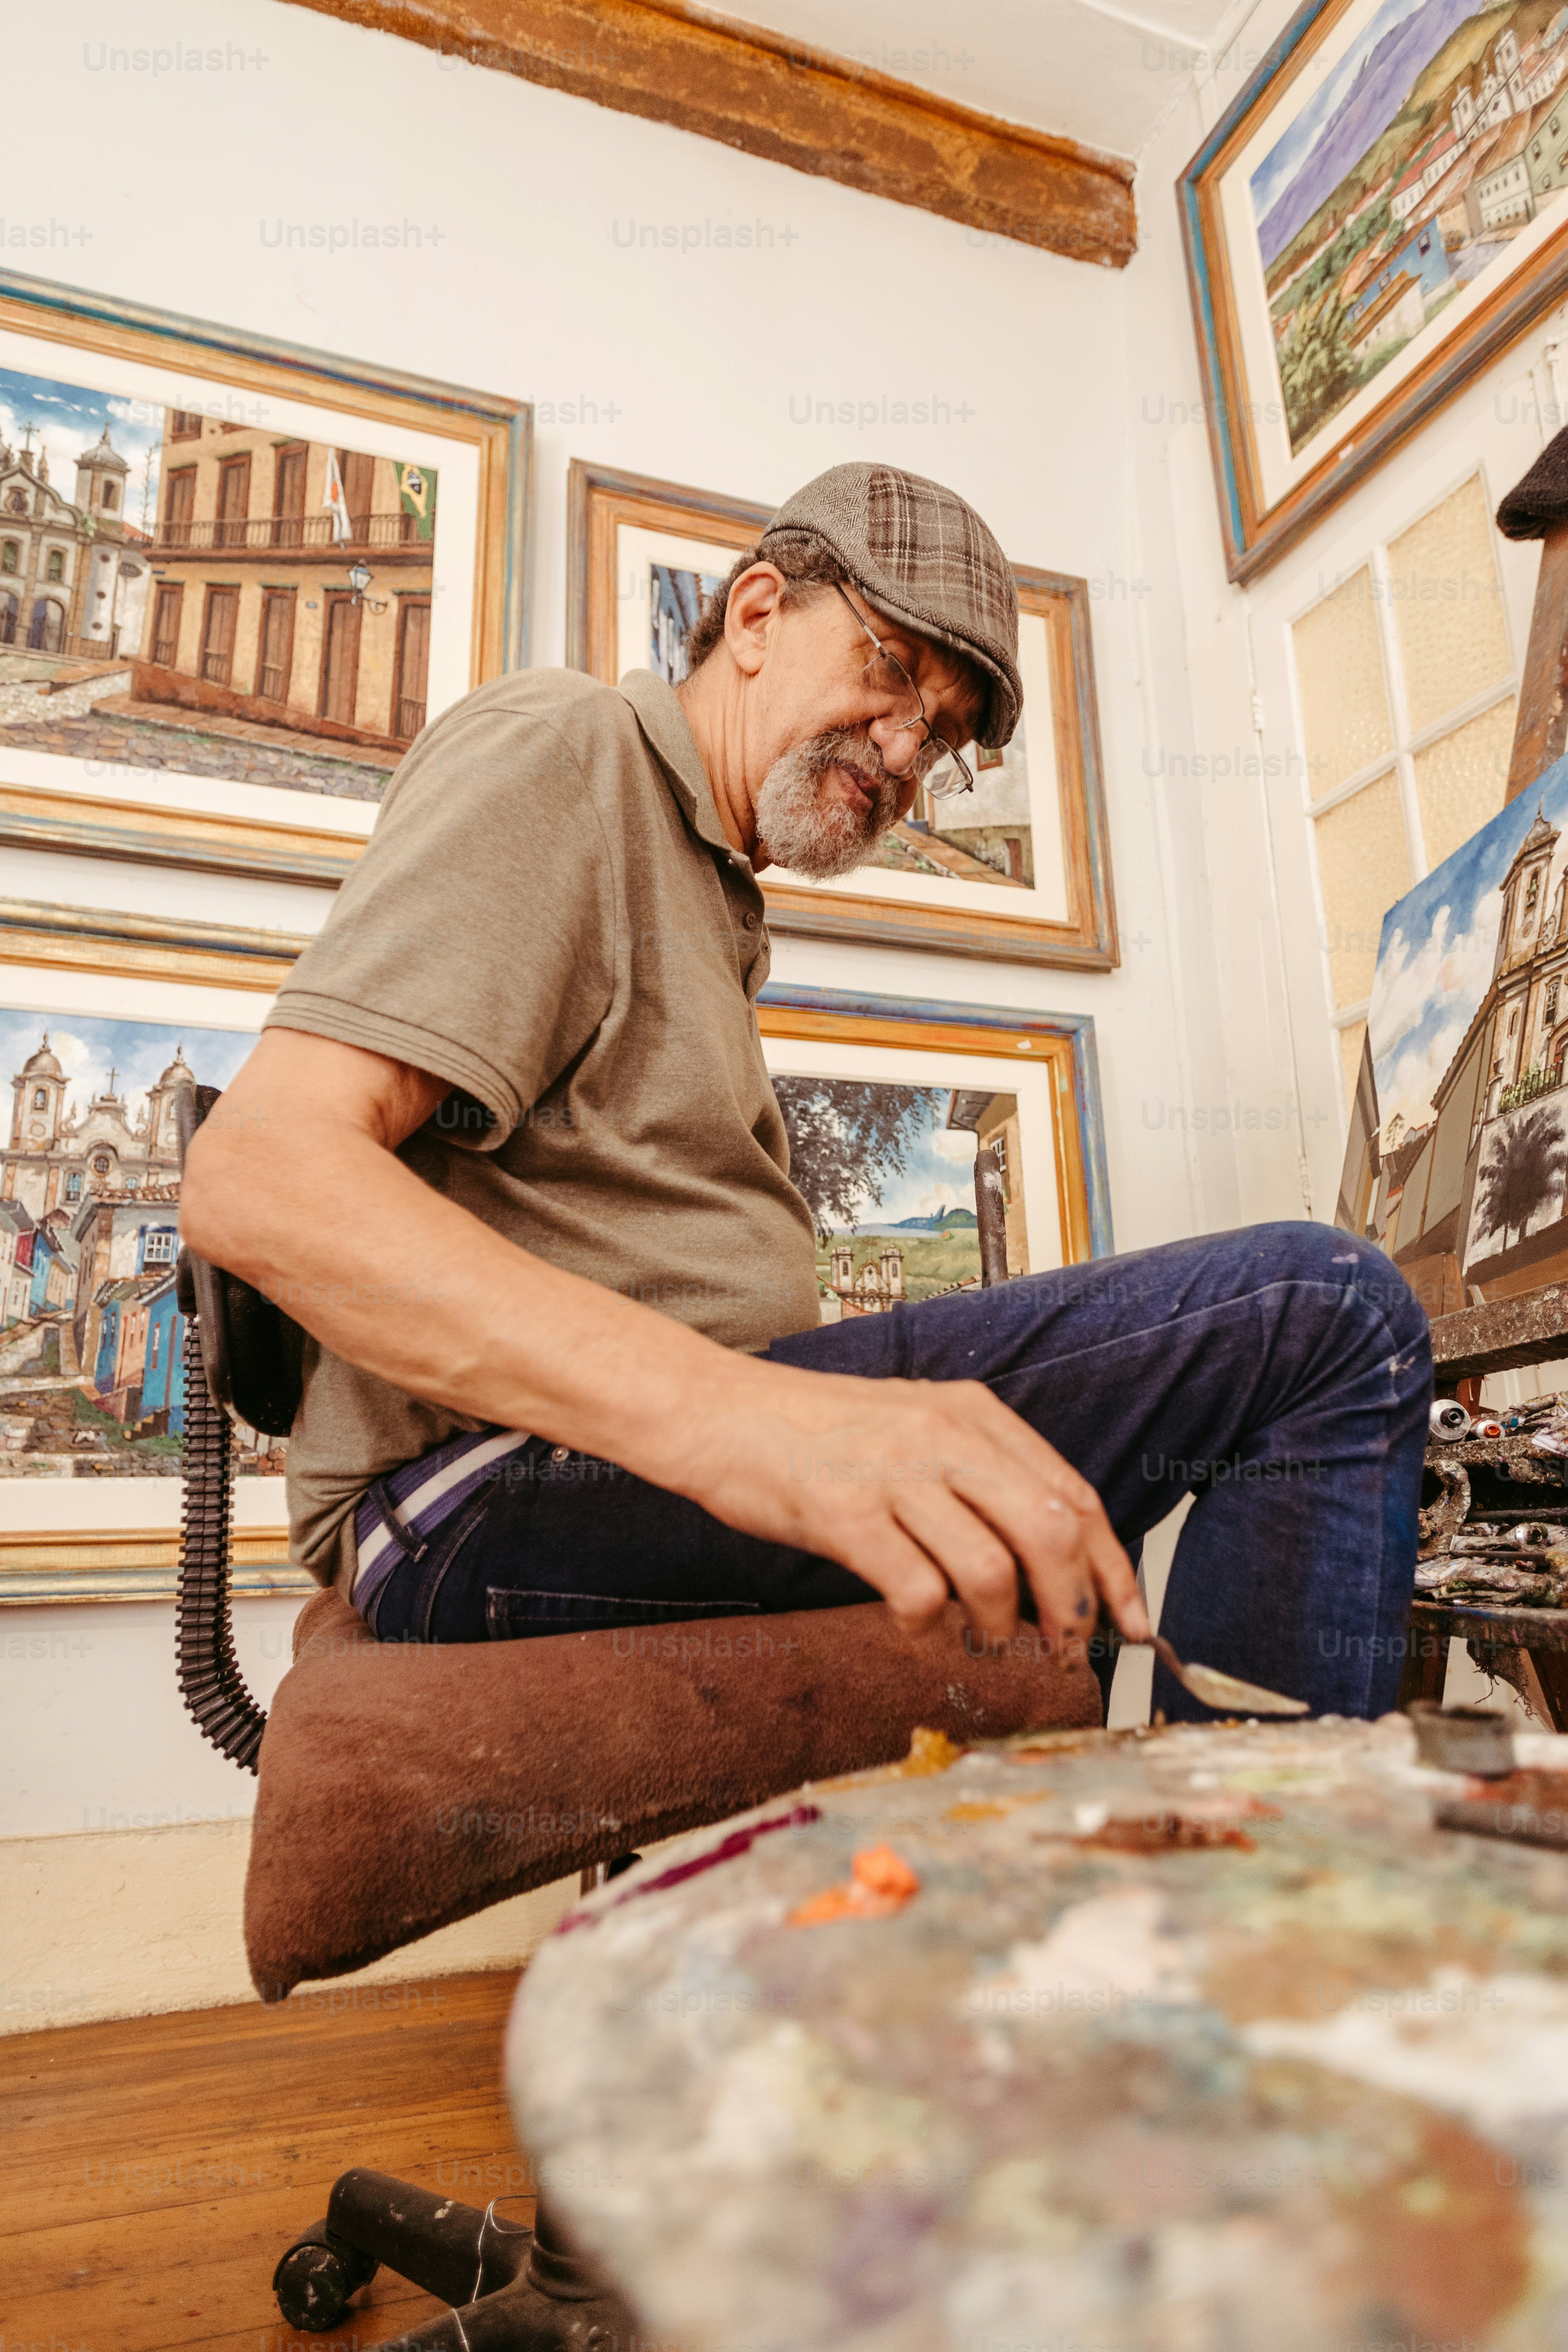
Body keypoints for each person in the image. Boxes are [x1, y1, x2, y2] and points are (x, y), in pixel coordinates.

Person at [182, 462, 1431, 1719]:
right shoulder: (569, 745)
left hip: (560, 1472)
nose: (904, 750)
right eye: (892, 669)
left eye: (938, 735)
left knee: (1056, 1526)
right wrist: (750, 1417)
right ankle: (1274, 1895)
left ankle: (1152, 1870)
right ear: (761, 615)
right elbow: (261, 1175)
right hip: (480, 1495)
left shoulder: (716, 890)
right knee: (1321, 1313)